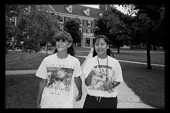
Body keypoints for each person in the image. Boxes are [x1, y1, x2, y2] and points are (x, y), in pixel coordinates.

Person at [35, 31, 82, 108]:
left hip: (65, 105)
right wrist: (38, 102)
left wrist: (80, 93)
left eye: (63, 41)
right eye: (58, 41)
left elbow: (78, 79)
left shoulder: (75, 62)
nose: (60, 43)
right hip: (47, 104)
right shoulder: (47, 60)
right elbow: (42, 82)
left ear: (69, 44)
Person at [83, 35, 123, 108]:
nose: (99, 47)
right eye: (97, 44)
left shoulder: (114, 62)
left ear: (107, 46)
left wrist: (111, 85)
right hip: (92, 100)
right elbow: (87, 83)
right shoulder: (90, 62)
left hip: (109, 100)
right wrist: (90, 75)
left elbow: (118, 80)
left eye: (102, 44)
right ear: (94, 47)